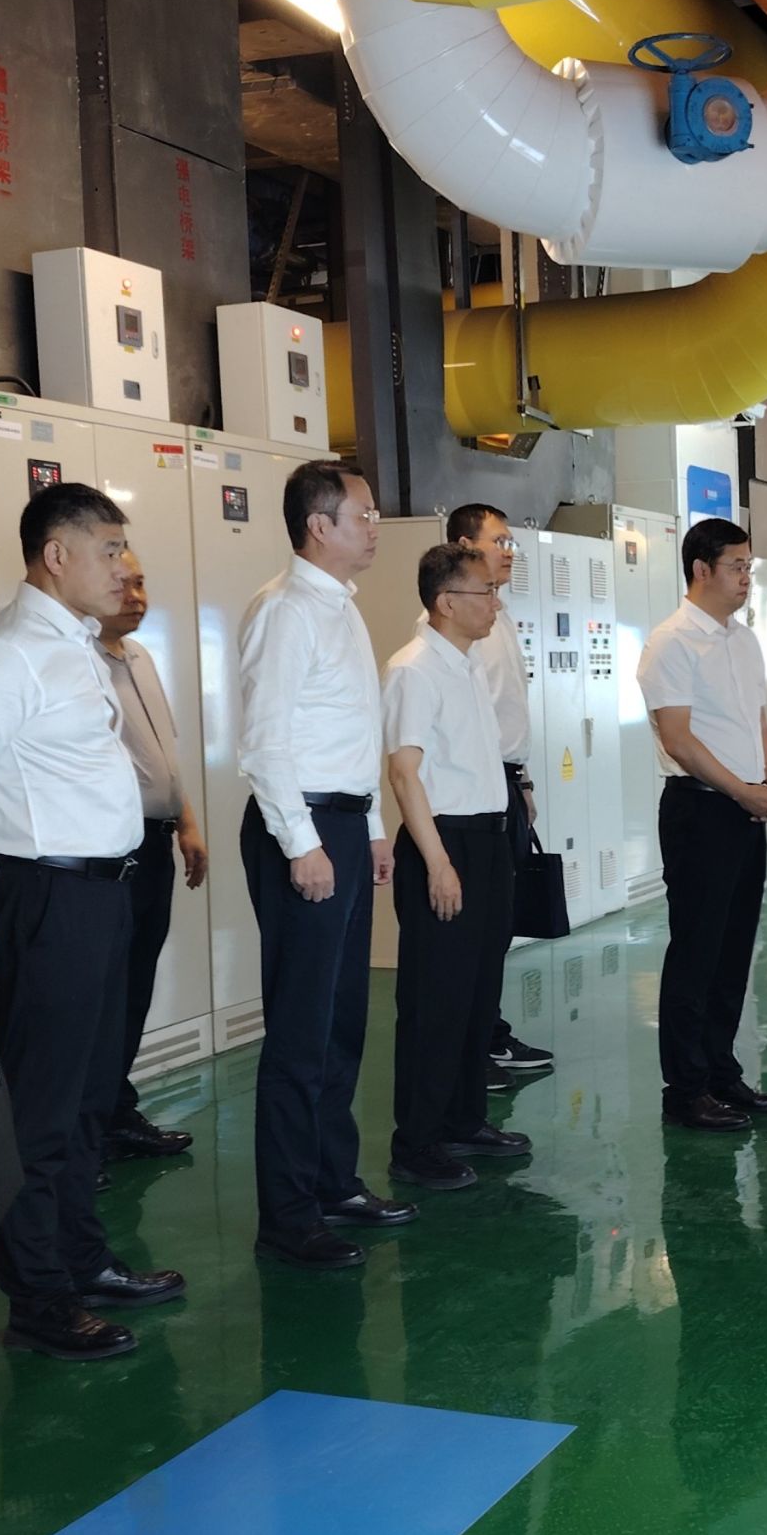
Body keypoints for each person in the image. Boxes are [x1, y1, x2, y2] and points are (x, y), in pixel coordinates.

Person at [0, 482, 186, 1359]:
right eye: (109, 550)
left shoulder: (76, 645)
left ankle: (84, 1260)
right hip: (42, 897)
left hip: (101, 893)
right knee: (41, 1111)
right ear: (56, 556)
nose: (124, 567)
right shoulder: (6, 655)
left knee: (87, 1099)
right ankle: (40, 1301)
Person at [237, 459, 418, 1270]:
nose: (375, 527)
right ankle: (288, 1215)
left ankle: (333, 1181)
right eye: (364, 515)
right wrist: (301, 843)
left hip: (341, 822)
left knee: (342, 1019)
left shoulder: (340, 608)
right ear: (319, 526)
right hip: (300, 828)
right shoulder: (285, 611)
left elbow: (351, 733)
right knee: (300, 1028)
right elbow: (264, 741)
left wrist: (372, 827)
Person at [383, 543, 532, 1189]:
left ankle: (464, 1119)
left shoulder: (465, 664)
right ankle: (417, 1143)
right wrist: (439, 864)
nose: (496, 602)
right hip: (444, 845)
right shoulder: (414, 669)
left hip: (487, 841)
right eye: (485, 592)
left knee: (476, 994)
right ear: (447, 602)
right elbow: (404, 772)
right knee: (434, 1001)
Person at [636, 518, 767, 1133]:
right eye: (737, 566)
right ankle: (686, 1089)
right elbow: (678, 739)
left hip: (744, 809)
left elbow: (757, 722)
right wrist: (741, 791)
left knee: (733, 950)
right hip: (700, 809)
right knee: (696, 952)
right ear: (701, 570)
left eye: (750, 567)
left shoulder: (743, 641)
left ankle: (723, 1073)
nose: (746, 578)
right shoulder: (671, 643)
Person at [95, 550, 209, 1161]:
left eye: (141, 582)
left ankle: (115, 1110)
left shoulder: (139, 657)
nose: (136, 595)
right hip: (109, 849)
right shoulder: (81, 661)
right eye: (123, 583)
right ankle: (83, 1130)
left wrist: (186, 823)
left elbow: (164, 754)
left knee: (136, 981)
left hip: (155, 840)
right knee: (102, 989)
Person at [444, 503, 554, 1088]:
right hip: (475, 791)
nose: (510, 552)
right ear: (465, 547)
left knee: (499, 924)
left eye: (512, 542)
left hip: (507, 782)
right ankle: (473, 1047)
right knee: (475, 927)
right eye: (499, 541)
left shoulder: (500, 615)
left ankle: (490, 1032)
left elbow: (507, 714)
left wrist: (524, 782)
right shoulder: (458, 629)